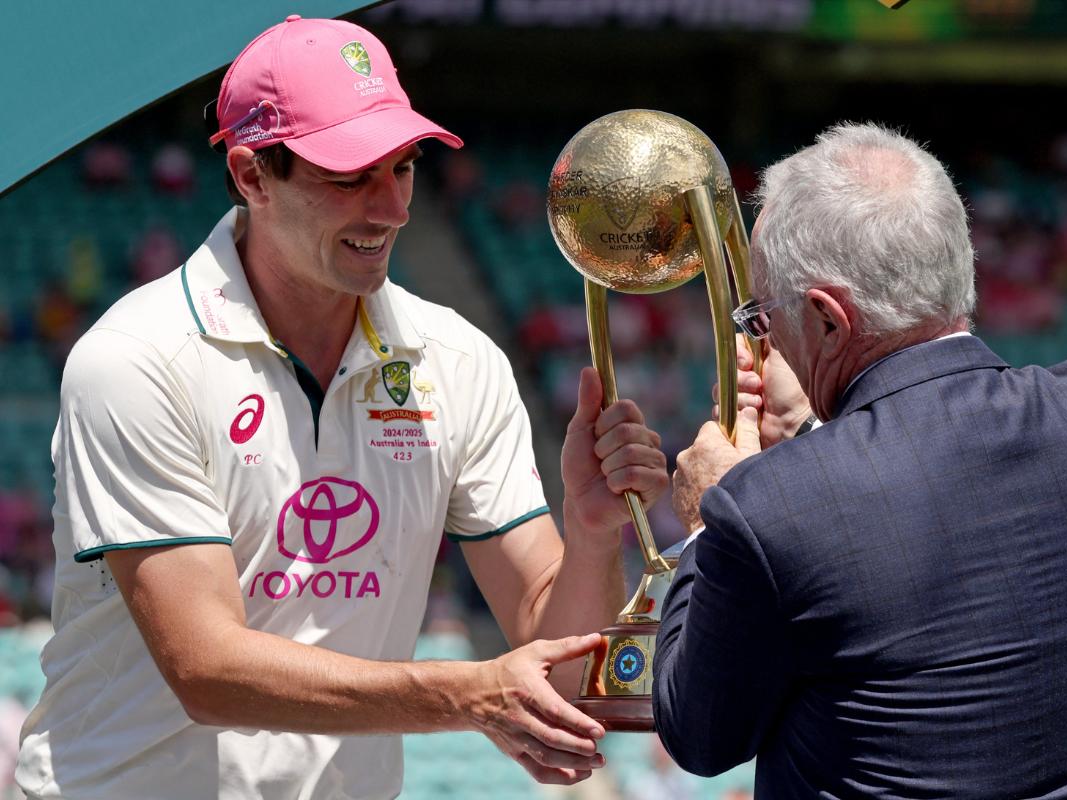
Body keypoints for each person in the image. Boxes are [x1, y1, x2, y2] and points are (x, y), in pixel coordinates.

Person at [16, 16, 668, 799]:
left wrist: (593, 534)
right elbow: (209, 670)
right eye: (350, 174)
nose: (391, 207)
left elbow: (556, 657)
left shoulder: (459, 361)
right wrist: (468, 694)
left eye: (404, 167)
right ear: (253, 175)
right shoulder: (136, 359)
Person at [652, 123, 1067, 799]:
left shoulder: (765, 506)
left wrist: (704, 521)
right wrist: (811, 432)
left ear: (829, 319)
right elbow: (925, 526)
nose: (764, 339)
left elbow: (701, 734)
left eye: (761, 316)